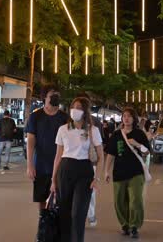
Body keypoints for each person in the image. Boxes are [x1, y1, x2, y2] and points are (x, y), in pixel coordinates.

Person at [50, 97, 104, 242]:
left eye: (79, 107)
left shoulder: (93, 130)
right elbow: (58, 156)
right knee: (64, 213)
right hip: (65, 170)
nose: (75, 110)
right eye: (73, 107)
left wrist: (96, 178)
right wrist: (53, 180)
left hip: (84, 172)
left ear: (85, 111)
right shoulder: (63, 129)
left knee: (78, 214)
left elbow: (101, 157)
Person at [104, 108, 151, 239]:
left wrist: (137, 144)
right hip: (119, 173)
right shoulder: (116, 135)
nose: (126, 118)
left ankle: (134, 226)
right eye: (124, 116)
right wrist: (107, 171)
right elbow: (110, 154)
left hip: (136, 173)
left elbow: (147, 152)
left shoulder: (139, 134)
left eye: (129, 116)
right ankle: (124, 224)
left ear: (134, 119)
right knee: (119, 201)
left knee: (135, 200)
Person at [26, 84, 68, 210]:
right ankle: (43, 220)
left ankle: (57, 224)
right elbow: (31, 141)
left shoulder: (64, 118)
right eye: (52, 95)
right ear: (44, 97)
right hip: (41, 164)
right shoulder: (35, 116)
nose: (55, 98)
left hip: (60, 164)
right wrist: (30, 164)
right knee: (41, 198)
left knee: (59, 197)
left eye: (57, 95)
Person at [76, 92, 102, 227]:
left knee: (90, 192)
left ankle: (90, 215)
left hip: (90, 162)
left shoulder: (95, 123)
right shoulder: (70, 123)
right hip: (74, 164)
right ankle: (82, 216)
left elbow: (99, 146)